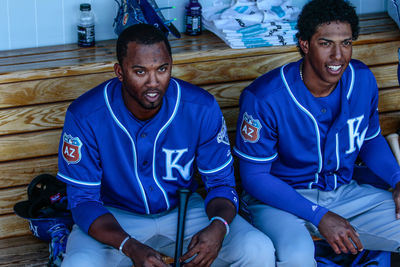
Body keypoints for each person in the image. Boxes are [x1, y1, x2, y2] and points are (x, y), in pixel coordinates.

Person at [56, 23, 274, 267]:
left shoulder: (200, 107)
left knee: (258, 248)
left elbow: (221, 184)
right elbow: (83, 202)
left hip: (183, 210)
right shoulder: (86, 114)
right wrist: (128, 245)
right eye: (140, 72)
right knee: (78, 264)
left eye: (162, 69)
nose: (153, 82)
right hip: (114, 217)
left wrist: (218, 226)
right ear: (120, 72)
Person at [233, 0, 400, 266]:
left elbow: (369, 140)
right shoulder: (265, 97)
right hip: (280, 200)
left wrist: (397, 178)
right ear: (305, 44)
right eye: (326, 43)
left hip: (344, 193)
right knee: (297, 257)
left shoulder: (361, 79)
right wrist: (319, 215)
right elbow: (254, 177)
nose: (338, 55)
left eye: (345, 43)